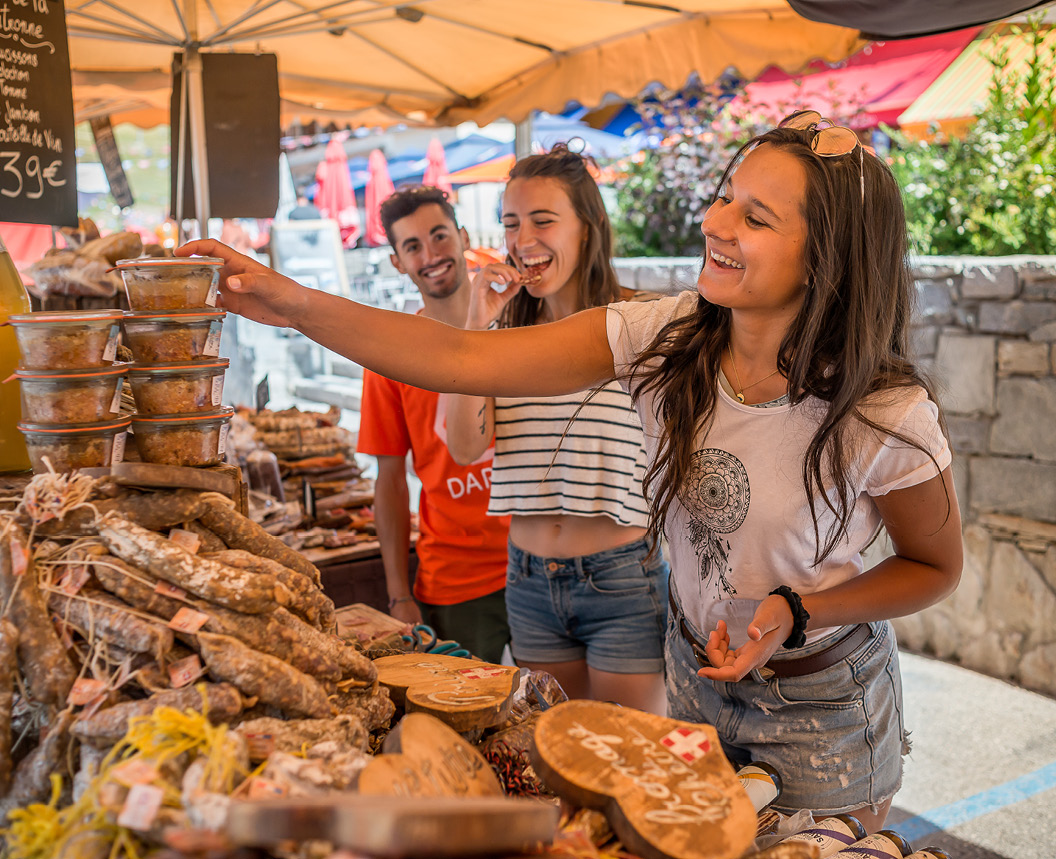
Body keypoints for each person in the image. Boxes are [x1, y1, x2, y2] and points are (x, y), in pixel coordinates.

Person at [177, 109, 963, 828]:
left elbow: (934, 568)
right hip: (697, 673)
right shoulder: (669, 335)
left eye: (753, 217)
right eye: (726, 196)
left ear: (825, 256)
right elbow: (458, 354)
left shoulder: (881, 409)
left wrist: (796, 605)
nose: (713, 221)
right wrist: (290, 300)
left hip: (823, 698)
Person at [442, 148, 668, 713]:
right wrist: (477, 322)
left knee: (628, 756)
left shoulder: (642, 322)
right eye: (512, 224)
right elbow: (465, 447)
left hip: (622, 576)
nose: (524, 239)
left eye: (544, 220)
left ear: (588, 228)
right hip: (527, 579)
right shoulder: (500, 336)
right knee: (556, 753)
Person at [356, 186, 511, 664]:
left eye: (440, 236)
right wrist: (399, 593)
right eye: (412, 246)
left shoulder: (519, 329)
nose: (431, 255)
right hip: (453, 579)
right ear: (398, 262)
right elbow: (389, 480)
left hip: (539, 565)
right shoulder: (389, 357)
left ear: (463, 237)